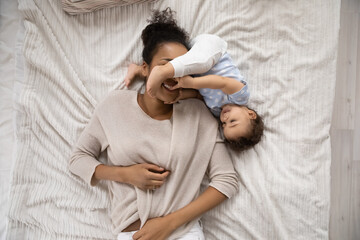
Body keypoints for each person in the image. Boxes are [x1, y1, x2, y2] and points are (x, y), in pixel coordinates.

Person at [69, 8, 238, 240]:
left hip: (183, 231)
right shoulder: (114, 105)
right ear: (146, 69)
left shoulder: (199, 113)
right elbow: (78, 159)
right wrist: (125, 175)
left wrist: (169, 223)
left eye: (182, 67)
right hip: (132, 234)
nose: (174, 74)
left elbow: (226, 180)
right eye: (167, 65)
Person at [125, 34, 264, 152]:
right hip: (211, 50)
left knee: (173, 82)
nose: (225, 119)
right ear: (250, 114)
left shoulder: (216, 110)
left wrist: (181, 95)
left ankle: (139, 70)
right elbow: (222, 82)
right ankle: (162, 71)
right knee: (202, 64)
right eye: (232, 121)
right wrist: (192, 84)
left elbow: (198, 95)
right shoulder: (241, 97)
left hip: (191, 64)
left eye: (224, 125)